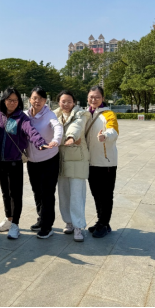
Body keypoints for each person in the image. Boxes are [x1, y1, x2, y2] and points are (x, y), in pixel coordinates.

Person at [0, 87, 47, 240]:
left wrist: (40, 142)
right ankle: (9, 219)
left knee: (15, 194)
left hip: (14, 161)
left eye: (15, 100)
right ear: (4, 100)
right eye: (9, 100)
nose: (12, 103)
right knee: (5, 192)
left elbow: (31, 131)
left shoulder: (21, 117)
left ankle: (15, 224)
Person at [24, 86, 63, 239]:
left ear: (45, 101)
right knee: (37, 191)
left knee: (47, 192)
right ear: (30, 99)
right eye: (34, 98)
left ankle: (47, 226)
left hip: (49, 159)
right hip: (32, 160)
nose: (37, 101)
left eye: (40, 98)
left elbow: (57, 127)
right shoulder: (25, 115)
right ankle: (41, 219)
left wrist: (56, 140)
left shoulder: (49, 115)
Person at [53, 90, 91, 243]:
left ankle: (78, 226)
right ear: (58, 102)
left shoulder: (81, 114)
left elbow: (77, 127)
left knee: (77, 195)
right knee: (63, 194)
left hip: (77, 159)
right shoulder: (54, 115)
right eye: (63, 101)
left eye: (69, 101)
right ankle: (68, 222)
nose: (66, 104)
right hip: (61, 159)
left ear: (74, 102)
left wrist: (70, 137)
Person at [86, 86, 119, 239]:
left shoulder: (108, 114)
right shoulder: (86, 114)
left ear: (103, 98)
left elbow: (113, 131)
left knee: (106, 195)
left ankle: (103, 224)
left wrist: (105, 136)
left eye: (97, 97)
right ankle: (102, 221)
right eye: (91, 97)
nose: (94, 99)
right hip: (90, 162)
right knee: (96, 194)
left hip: (106, 162)